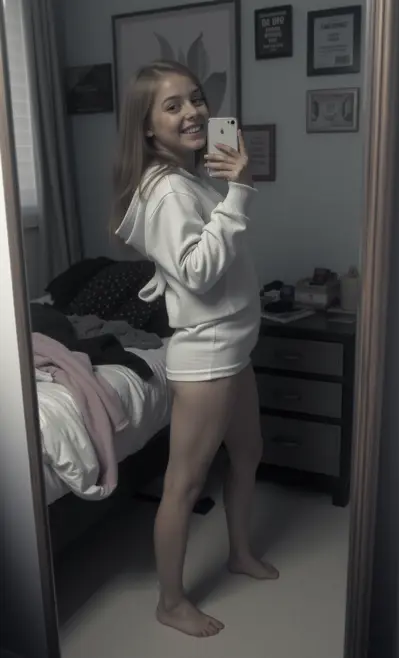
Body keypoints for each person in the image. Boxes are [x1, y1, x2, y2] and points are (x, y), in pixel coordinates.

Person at [112, 61, 279, 639]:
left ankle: (239, 551)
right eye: (173, 105)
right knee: (184, 483)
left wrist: (228, 193)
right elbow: (200, 271)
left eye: (197, 98)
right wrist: (241, 191)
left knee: (248, 451)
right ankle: (170, 601)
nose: (193, 112)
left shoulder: (191, 180)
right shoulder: (166, 189)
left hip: (233, 345)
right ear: (147, 126)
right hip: (208, 354)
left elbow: (196, 261)